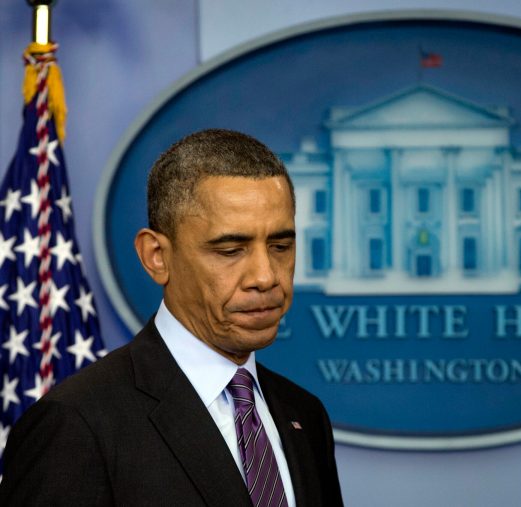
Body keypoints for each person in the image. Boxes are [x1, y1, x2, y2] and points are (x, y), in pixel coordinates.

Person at [0, 129, 344, 506]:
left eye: (281, 246)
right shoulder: (77, 423)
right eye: (230, 250)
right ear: (157, 257)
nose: (266, 276)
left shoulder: (305, 416)